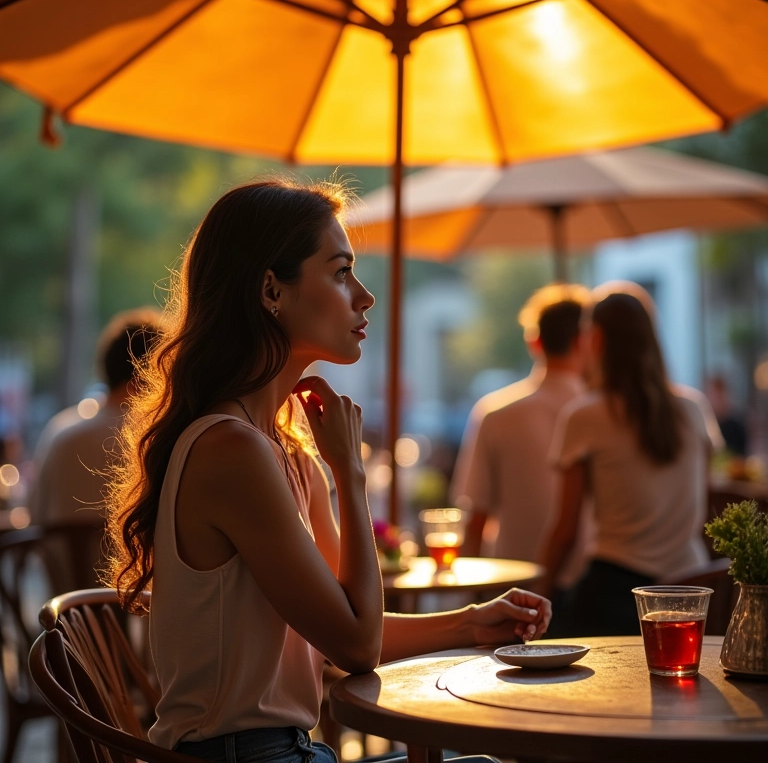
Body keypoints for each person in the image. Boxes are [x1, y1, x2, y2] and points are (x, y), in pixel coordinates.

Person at [102, 178, 551, 761]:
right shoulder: (231, 451)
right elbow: (357, 647)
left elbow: (352, 623)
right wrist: (350, 471)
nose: (364, 297)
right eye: (340, 272)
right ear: (271, 290)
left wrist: (473, 623)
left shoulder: (283, 449)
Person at [541, 282, 723, 636]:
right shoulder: (693, 408)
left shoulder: (585, 415)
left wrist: (538, 592)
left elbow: (565, 531)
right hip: (694, 590)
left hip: (618, 596)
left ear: (596, 340)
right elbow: (705, 503)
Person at [450, 284, 593, 631]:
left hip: (512, 593)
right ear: (587, 342)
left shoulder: (494, 413)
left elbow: (476, 515)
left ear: (534, 342)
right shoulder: (604, 415)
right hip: (591, 588)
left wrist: (468, 604)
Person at [28, 308, 162, 591]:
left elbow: (34, 515)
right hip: (136, 611)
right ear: (146, 378)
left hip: (66, 613)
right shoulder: (153, 438)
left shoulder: (60, 430)